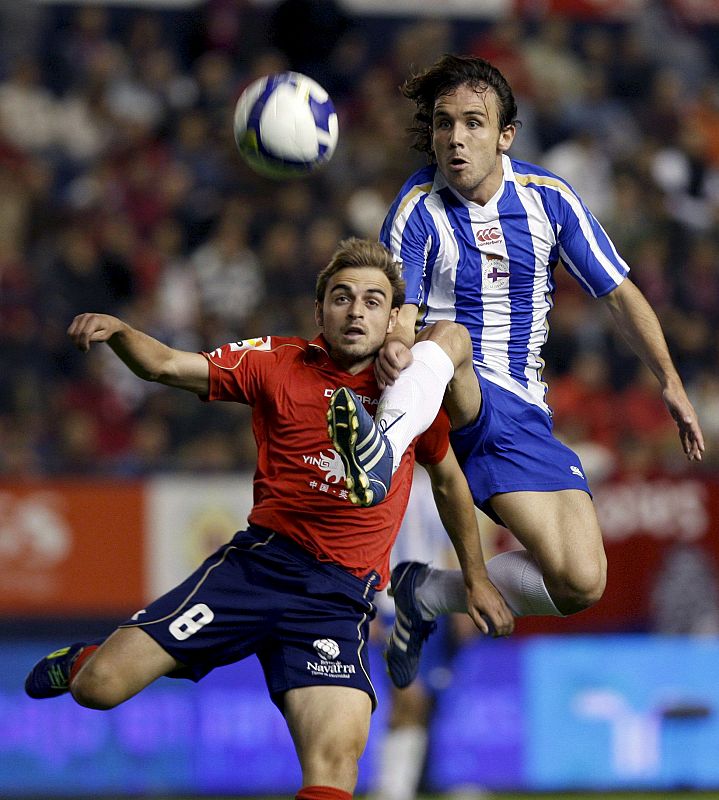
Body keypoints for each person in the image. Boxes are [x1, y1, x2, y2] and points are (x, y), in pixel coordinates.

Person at [24, 237, 513, 800]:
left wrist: (476, 576)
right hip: (256, 570)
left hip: (336, 601)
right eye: (342, 298)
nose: (356, 311)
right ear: (319, 312)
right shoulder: (277, 362)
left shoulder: (411, 393)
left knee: (337, 759)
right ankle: (85, 660)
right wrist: (120, 332)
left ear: (392, 318)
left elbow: (450, 483)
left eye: (373, 301)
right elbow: (166, 365)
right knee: (100, 688)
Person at [327, 54, 705, 688]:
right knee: (450, 338)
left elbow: (618, 293)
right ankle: (378, 447)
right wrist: (395, 344)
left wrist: (670, 381)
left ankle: (426, 592)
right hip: (439, 393)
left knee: (581, 580)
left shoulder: (547, 199)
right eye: (444, 123)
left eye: (473, 123)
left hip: (520, 411)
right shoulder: (417, 209)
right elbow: (403, 313)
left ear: (505, 135)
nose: (455, 138)